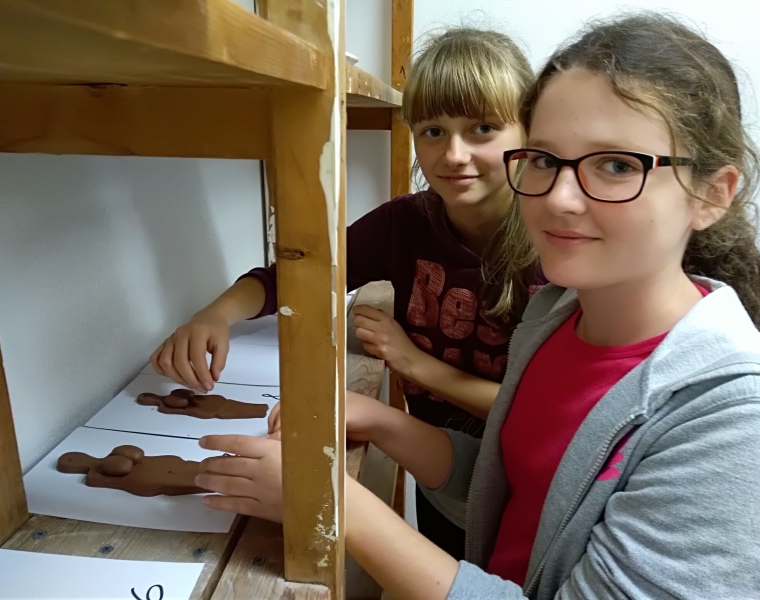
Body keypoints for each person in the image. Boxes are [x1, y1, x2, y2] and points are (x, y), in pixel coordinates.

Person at [194, 12, 760, 599]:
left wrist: (333, 502)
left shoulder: (742, 422)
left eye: (616, 165)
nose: (559, 198)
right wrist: (382, 420)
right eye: (546, 160)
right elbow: (513, 490)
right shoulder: (555, 318)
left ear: (712, 194)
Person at [151, 26, 540, 559]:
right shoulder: (405, 222)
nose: (454, 154)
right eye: (432, 131)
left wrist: (414, 363)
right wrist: (214, 314)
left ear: (529, 132)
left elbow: (540, 409)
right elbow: (298, 275)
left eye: (483, 129)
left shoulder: (553, 243)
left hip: (523, 479)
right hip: (433, 465)